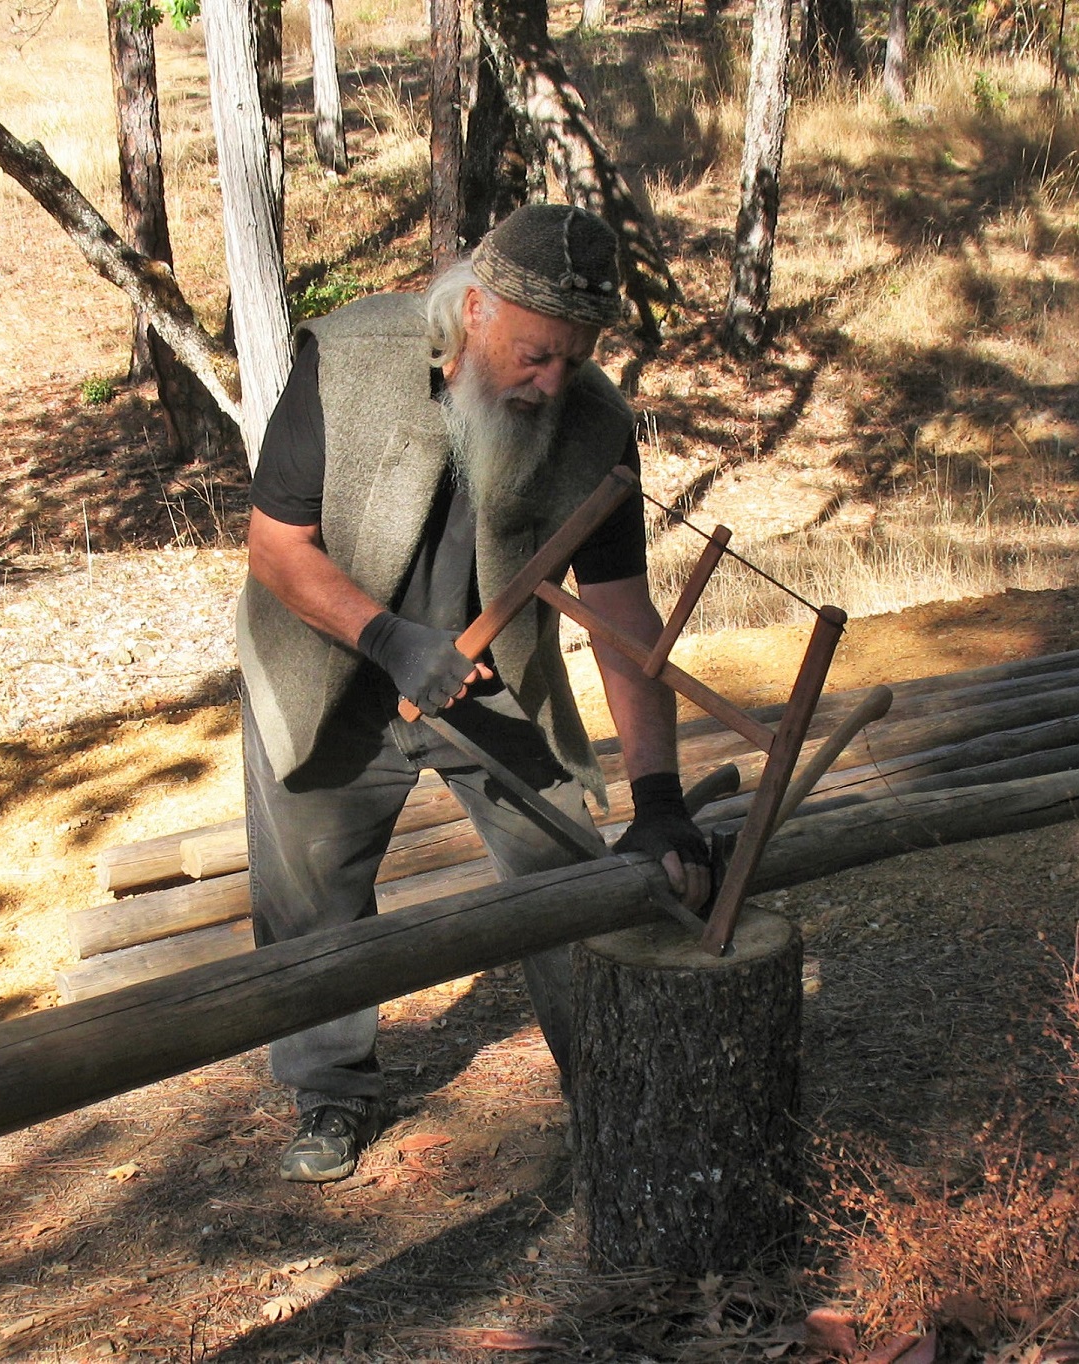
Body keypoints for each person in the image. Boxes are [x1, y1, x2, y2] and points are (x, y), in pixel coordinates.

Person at [236, 203, 710, 1184]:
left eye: (574, 359)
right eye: (537, 353)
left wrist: (660, 800)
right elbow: (276, 551)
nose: (552, 381)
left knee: (567, 882)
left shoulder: (592, 428)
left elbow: (625, 622)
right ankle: (331, 1090)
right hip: (329, 653)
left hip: (490, 681)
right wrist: (393, 640)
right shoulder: (352, 358)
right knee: (312, 898)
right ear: (478, 310)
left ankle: (614, 1089)